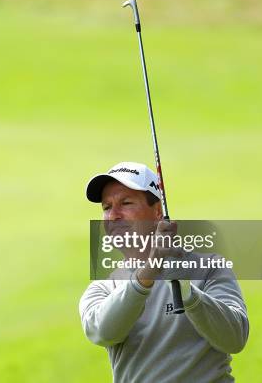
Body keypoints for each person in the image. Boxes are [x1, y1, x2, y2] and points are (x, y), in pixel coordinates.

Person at [79, 161, 249, 383]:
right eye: (107, 207)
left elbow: (235, 339)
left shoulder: (210, 268)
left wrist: (188, 290)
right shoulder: (103, 289)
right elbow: (104, 331)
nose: (114, 215)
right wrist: (149, 272)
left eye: (126, 203)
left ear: (158, 211)